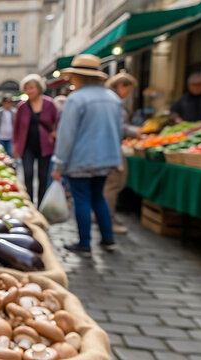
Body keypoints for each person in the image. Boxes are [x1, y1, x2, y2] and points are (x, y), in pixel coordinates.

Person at [51, 54, 123, 255]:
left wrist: (59, 165)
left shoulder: (76, 99)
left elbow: (66, 136)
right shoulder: (113, 98)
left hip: (81, 160)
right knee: (98, 197)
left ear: (78, 77)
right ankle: (108, 238)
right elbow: (119, 131)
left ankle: (85, 242)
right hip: (106, 159)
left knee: (81, 199)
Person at [13, 74, 58, 207]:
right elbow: (16, 127)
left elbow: (57, 122)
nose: (29, 91)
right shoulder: (22, 106)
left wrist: (55, 133)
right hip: (27, 145)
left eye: (31, 87)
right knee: (28, 174)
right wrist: (15, 146)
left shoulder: (49, 103)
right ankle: (30, 203)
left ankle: (41, 203)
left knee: (43, 176)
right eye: (26, 88)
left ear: (38, 88)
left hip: (45, 145)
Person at [104, 70, 139, 235]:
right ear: (120, 86)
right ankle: (108, 219)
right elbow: (118, 127)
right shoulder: (113, 101)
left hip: (108, 148)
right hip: (111, 149)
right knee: (112, 185)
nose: (128, 94)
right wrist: (136, 132)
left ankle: (105, 216)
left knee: (111, 185)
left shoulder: (109, 99)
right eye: (128, 89)